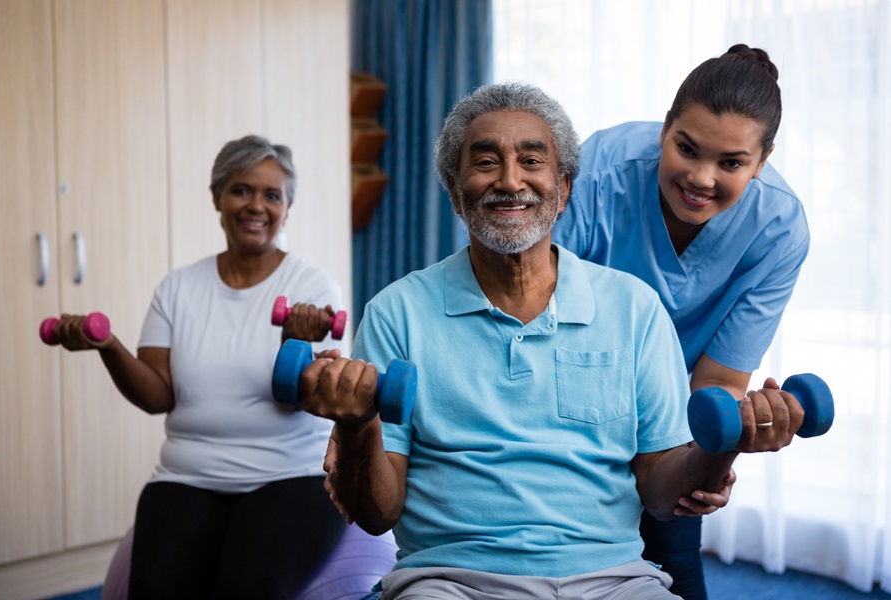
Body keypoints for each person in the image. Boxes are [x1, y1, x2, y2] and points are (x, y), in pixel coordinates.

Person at [299, 82, 804, 600]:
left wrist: (728, 443)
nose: (511, 180)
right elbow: (377, 515)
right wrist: (356, 424)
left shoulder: (635, 308)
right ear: (454, 190)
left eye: (532, 161)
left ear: (563, 189)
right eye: (486, 162)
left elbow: (659, 491)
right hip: (451, 581)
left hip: (615, 581)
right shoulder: (395, 312)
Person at [551, 44, 810, 600]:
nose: (701, 177)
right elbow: (535, 319)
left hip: (672, 412)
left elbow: (717, 385)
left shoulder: (780, 229)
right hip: (565, 394)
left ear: (762, 160)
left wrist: (705, 462)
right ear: (665, 128)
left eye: (732, 163)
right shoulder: (597, 173)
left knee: (674, 558)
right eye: (686, 148)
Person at [50, 135, 348, 599]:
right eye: (241, 190)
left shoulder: (312, 286)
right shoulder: (178, 288)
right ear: (217, 197)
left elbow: (305, 402)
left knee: (245, 590)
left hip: (290, 474)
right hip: (188, 474)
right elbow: (157, 396)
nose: (256, 206)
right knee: (153, 590)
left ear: (287, 207)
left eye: (272, 195)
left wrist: (294, 341)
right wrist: (108, 345)